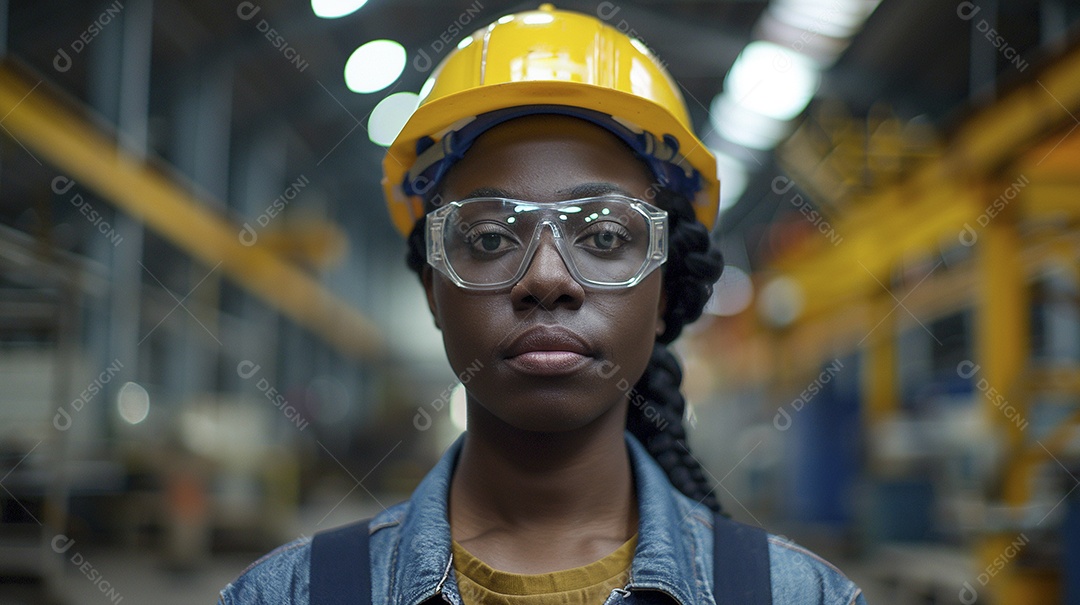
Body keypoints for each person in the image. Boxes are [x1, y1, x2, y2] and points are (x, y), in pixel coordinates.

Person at [219, 5, 867, 604]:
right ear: (432, 290)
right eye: (492, 237)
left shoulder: (797, 595)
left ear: (666, 291)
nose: (548, 277)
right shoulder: (295, 592)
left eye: (606, 236)